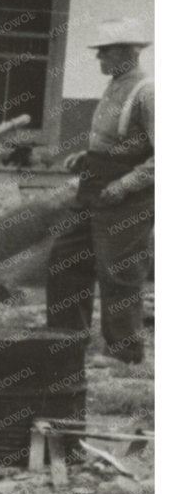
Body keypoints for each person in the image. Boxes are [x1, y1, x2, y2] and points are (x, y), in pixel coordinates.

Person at [47, 18, 154, 364]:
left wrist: (125, 185)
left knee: (119, 271)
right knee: (66, 258)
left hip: (128, 196)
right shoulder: (115, 86)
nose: (98, 58)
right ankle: (66, 340)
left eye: (105, 51)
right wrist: (86, 157)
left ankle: (124, 352)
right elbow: (115, 139)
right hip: (94, 185)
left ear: (127, 52)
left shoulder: (148, 92)